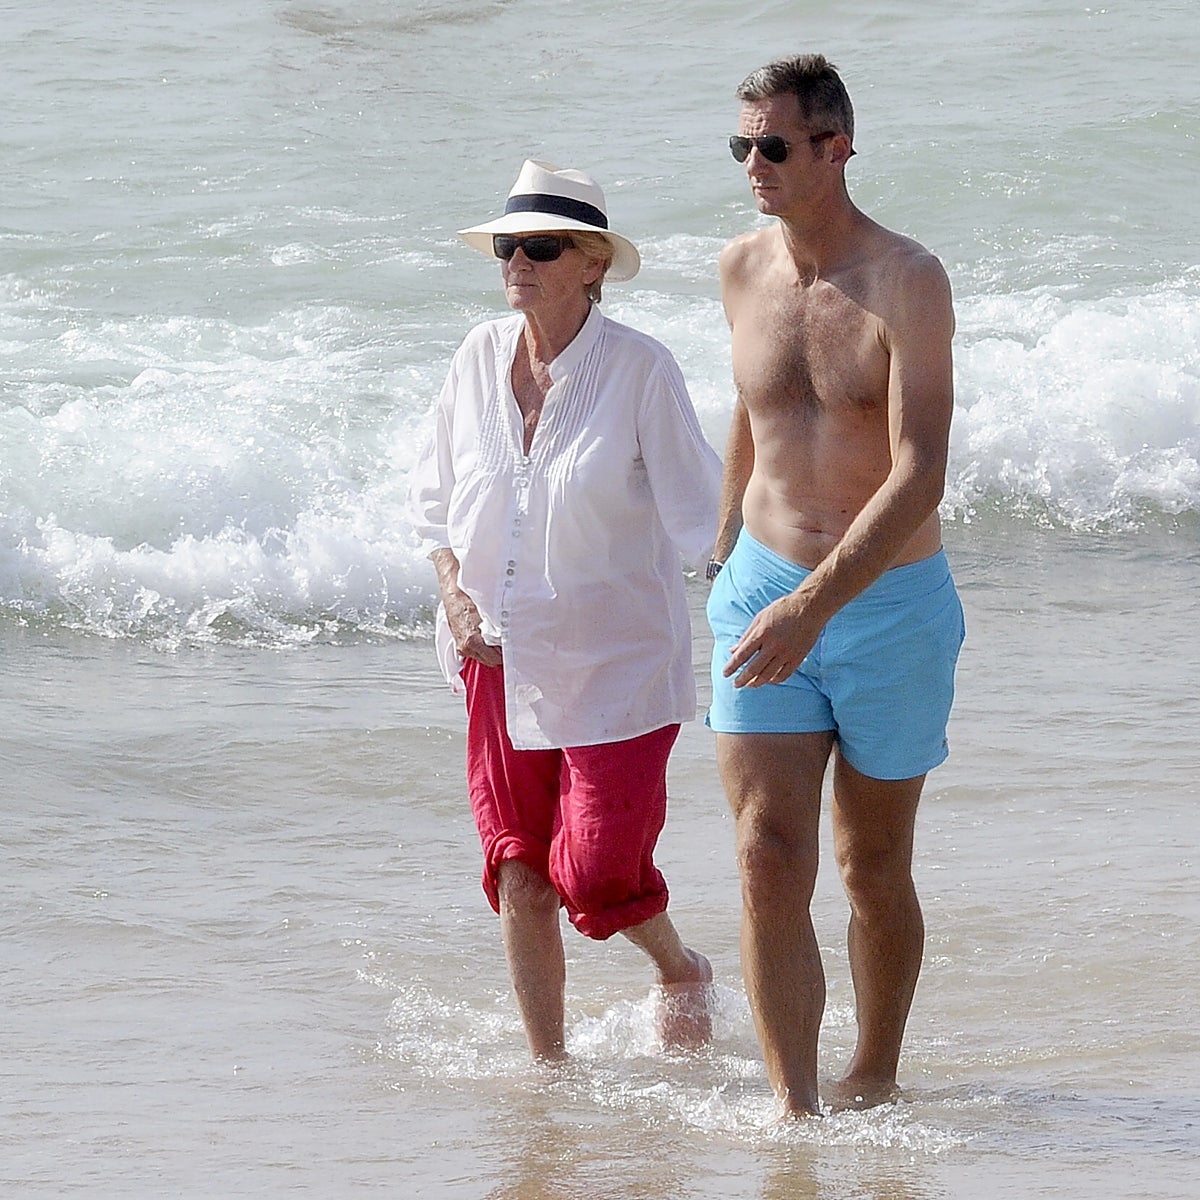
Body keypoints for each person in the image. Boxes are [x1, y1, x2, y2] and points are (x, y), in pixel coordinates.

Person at [409, 159, 722, 1062]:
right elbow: (433, 504)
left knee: (592, 871)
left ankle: (679, 966)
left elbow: (705, 520)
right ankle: (548, 1071)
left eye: (541, 247)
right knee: (518, 865)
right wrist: (455, 597)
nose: (518, 262)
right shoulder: (475, 356)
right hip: (494, 657)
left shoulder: (641, 372)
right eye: (509, 246)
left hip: (616, 664)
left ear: (591, 263)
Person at [706, 55, 965, 1116]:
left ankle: (875, 1072)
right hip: (761, 592)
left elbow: (921, 469)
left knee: (870, 869)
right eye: (742, 147)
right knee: (767, 856)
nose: (754, 165)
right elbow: (751, 412)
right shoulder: (737, 269)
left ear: (836, 148)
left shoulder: (907, 279)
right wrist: (725, 550)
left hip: (886, 608)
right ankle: (793, 1111)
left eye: (773, 145)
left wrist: (817, 605)